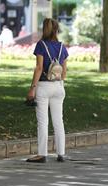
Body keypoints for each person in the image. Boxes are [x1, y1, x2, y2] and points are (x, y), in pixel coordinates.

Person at [26, 18, 69, 163]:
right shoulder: (63, 47)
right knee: (59, 121)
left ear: (44, 29)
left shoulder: (41, 45)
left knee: (43, 122)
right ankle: (61, 153)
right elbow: (64, 74)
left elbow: (39, 68)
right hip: (59, 87)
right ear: (56, 30)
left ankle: (42, 154)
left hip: (44, 87)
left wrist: (32, 89)